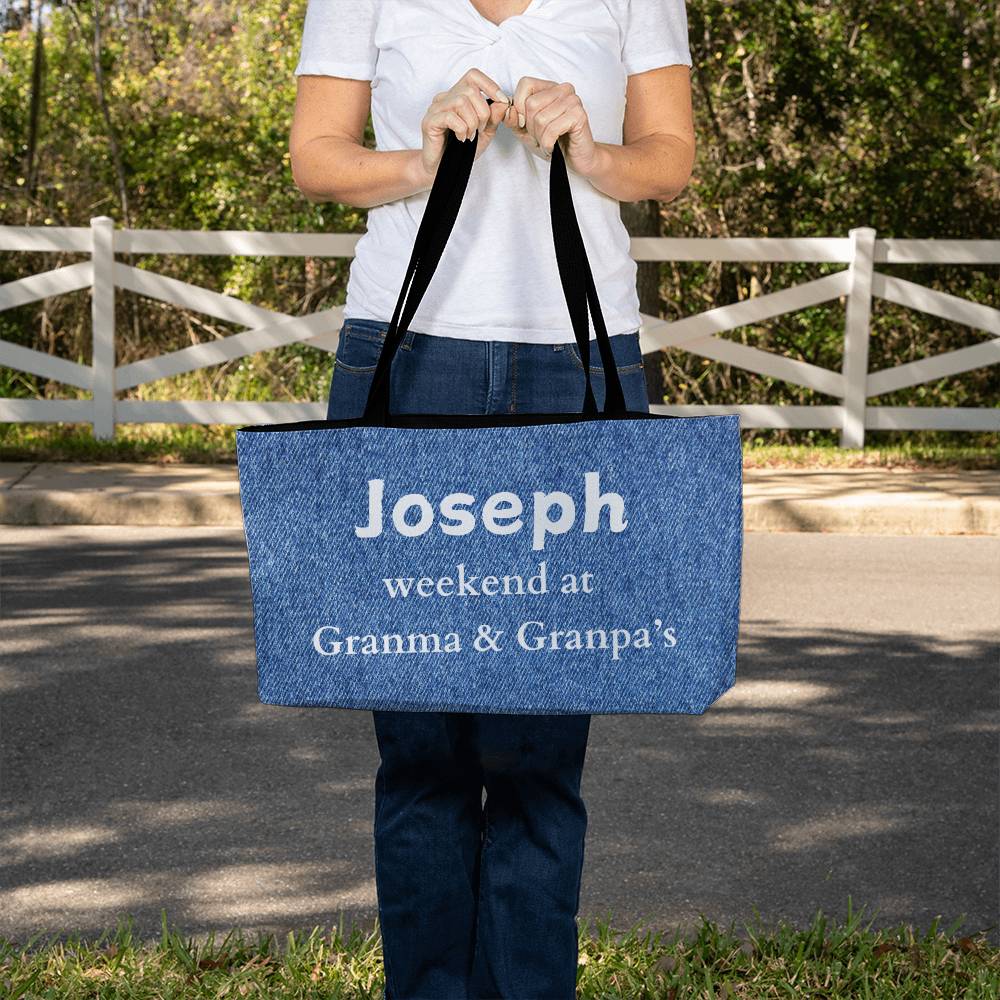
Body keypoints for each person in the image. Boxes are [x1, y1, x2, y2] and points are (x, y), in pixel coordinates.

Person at [289, 2, 695, 997]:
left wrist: (590, 153)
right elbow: (316, 158)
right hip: (404, 357)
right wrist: (419, 157)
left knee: (541, 741)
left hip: (577, 365)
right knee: (419, 740)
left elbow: (669, 159)